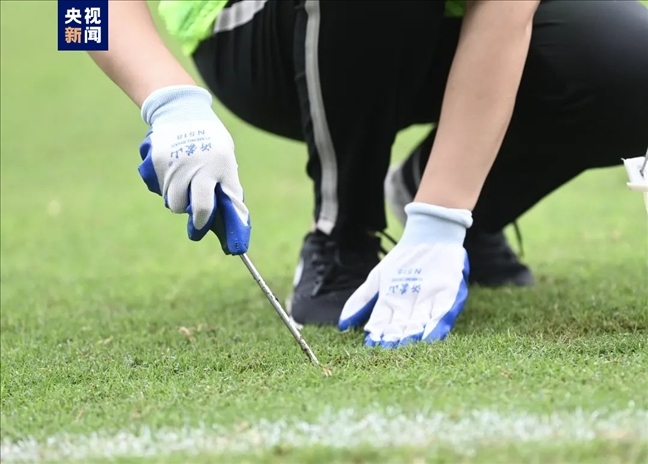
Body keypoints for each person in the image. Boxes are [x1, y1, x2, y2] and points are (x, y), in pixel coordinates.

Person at [88, 0, 648, 347]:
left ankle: (443, 201)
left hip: (457, 25)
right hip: (268, 29)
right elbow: (77, 13)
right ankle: (342, 232)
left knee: (631, 65)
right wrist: (169, 102)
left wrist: (440, 215)